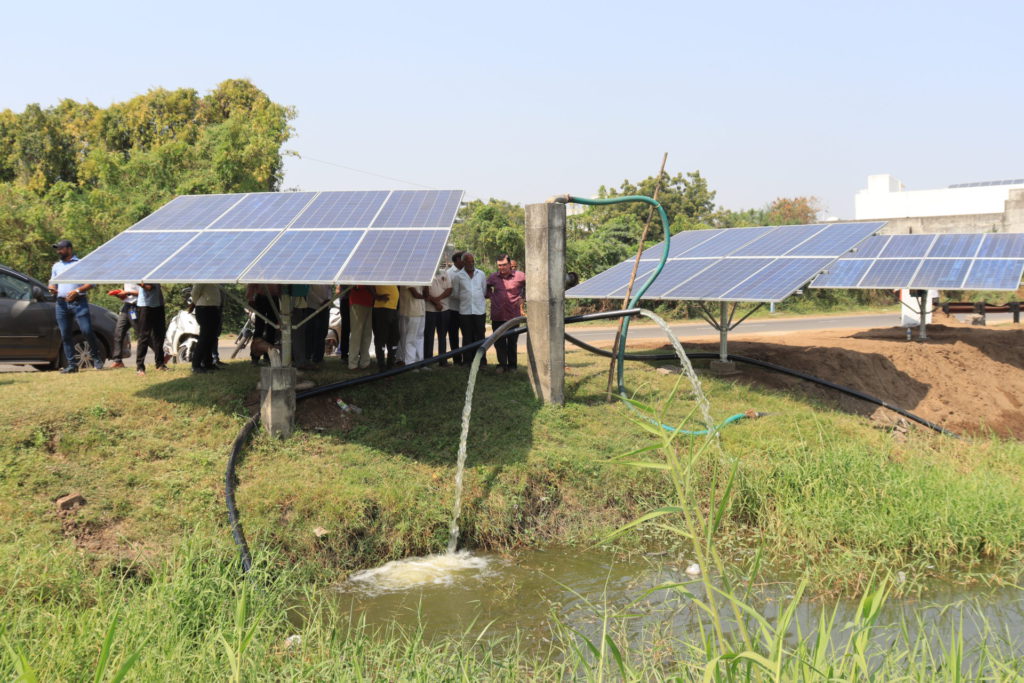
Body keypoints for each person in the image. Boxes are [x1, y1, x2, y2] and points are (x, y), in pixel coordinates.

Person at [48, 239, 104, 373]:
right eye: (57, 249)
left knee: (86, 330)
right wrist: (51, 288)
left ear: (69, 249)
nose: (58, 251)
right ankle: (72, 365)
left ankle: (96, 357)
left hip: (79, 302)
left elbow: (91, 283)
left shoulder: (81, 264)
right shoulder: (56, 266)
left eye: (61, 249)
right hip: (61, 304)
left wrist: (77, 291)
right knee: (65, 335)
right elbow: (52, 283)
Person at [486, 254, 526, 373]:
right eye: (499, 265)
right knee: (499, 342)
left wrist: (523, 297)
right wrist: (491, 296)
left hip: (513, 315)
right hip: (497, 315)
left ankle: (512, 366)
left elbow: (531, 285)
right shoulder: (493, 277)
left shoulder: (520, 276)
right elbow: (486, 287)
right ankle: (502, 365)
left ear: (509, 264)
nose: (502, 267)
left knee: (512, 342)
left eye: (504, 265)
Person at [450, 252, 487, 366]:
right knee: (467, 337)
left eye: (472, 261)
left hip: (479, 311)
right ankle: (467, 361)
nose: (471, 264)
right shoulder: (458, 276)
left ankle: (481, 361)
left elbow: (484, 290)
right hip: (465, 311)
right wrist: (467, 297)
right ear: (463, 262)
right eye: (468, 262)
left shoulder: (481, 274)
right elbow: (455, 294)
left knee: (480, 336)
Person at [135, 282, 168, 375]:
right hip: (145, 306)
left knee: (159, 335)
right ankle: (140, 367)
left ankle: (160, 364)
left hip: (158, 304)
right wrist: (144, 285)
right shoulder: (142, 274)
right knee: (144, 336)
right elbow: (148, 287)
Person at [189, 282, 221, 374]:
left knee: (211, 337)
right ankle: (196, 365)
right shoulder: (203, 277)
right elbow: (195, 292)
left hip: (213, 308)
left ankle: (208, 363)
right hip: (205, 308)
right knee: (204, 337)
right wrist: (195, 303)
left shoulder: (214, 278)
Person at [424, 266, 452, 366]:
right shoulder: (425, 273)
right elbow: (425, 291)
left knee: (442, 336)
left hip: (444, 309)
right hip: (429, 310)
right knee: (429, 336)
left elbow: (449, 289)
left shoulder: (444, 272)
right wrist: (436, 303)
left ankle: (442, 360)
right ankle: (428, 361)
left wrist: (438, 300)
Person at [246, 283, 279, 365]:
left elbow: (281, 286)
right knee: (259, 328)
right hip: (261, 297)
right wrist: (250, 298)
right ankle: (255, 357)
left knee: (272, 328)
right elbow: (252, 284)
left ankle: (268, 356)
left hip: (274, 298)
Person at [109, 282, 139, 368]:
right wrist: (120, 294)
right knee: (118, 333)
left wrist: (127, 292)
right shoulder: (126, 278)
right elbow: (127, 295)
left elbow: (144, 292)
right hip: (126, 307)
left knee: (142, 334)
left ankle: (160, 358)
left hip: (136, 307)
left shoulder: (140, 276)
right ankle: (118, 361)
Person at [371, 284, 400, 371]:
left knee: (394, 337)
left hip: (393, 308)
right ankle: (382, 366)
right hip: (382, 308)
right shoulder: (377, 275)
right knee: (381, 338)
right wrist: (376, 296)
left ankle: (390, 365)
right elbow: (368, 284)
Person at [397, 285, 426, 367]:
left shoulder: (422, 279)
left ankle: (419, 361)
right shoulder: (408, 278)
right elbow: (415, 294)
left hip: (421, 310)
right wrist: (425, 297)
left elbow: (426, 293)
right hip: (410, 311)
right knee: (410, 338)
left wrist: (427, 286)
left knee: (420, 336)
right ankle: (410, 363)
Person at [347, 285, 375, 370]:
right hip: (358, 302)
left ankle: (365, 362)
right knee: (356, 334)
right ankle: (353, 364)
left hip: (369, 302)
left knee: (367, 333)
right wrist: (376, 294)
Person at [307, 284, 332, 365]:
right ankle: (310, 356)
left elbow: (329, 288)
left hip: (325, 308)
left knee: (323, 332)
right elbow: (309, 290)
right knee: (312, 332)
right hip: (312, 307)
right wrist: (321, 301)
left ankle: (319, 357)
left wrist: (328, 300)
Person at [446, 251, 464, 360]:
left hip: (465, 309)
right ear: (457, 259)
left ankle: (467, 358)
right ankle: (456, 359)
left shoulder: (467, 271)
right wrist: (463, 295)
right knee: (453, 335)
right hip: (453, 309)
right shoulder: (449, 273)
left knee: (467, 335)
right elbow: (447, 291)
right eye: (463, 258)